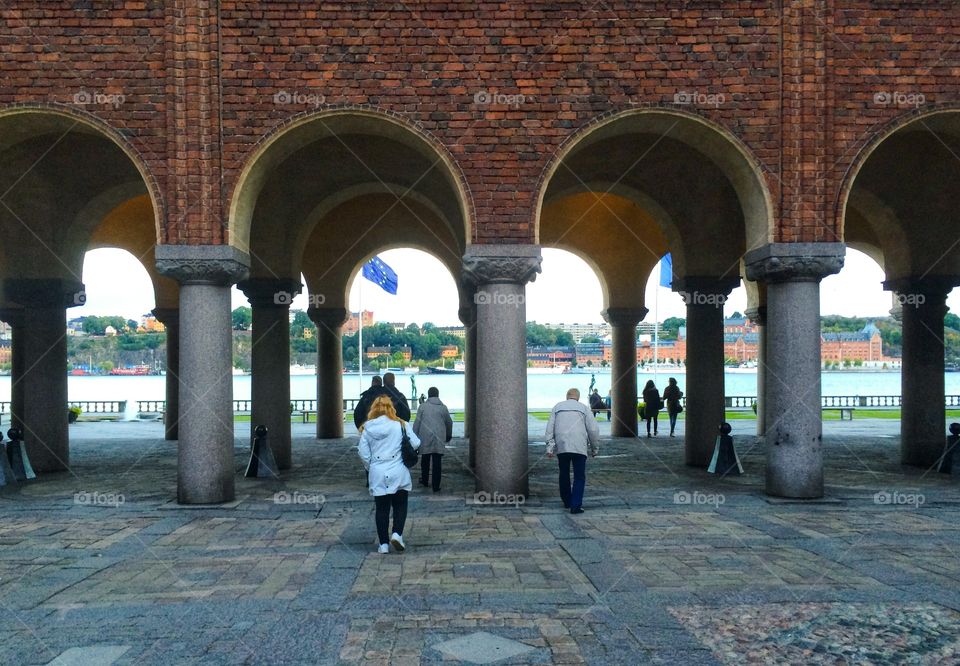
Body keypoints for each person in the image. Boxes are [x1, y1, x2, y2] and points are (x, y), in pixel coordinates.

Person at [357, 395, 421, 553]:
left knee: (381, 508)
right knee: (400, 504)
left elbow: (363, 453)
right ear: (391, 408)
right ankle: (397, 533)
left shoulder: (367, 428)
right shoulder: (401, 425)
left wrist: (371, 467)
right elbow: (416, 442)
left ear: (373, 409)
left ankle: (383, 544)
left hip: (378, 470)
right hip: (398, 468)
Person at [545, 388, 599, 514]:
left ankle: (567, 501)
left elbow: (550, 428)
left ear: (567, 396)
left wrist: (550, 447)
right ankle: (575, 505)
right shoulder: (584, 408)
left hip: (562, 445)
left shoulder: (557, 407)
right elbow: (593, 430)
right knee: (579, 476)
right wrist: (594, 448)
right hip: (579, 446)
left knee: (563, 473)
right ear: (578, 397)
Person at [413, 386, 453, 492]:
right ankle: (436, 485)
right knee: (437, 461)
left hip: (425, 436)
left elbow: (417, 423)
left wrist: (414, 436)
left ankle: (425, 480)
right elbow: (449, 422)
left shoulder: (422, 407)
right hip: (439, 436)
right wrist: (448, 435)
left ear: (429, 395)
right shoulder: (443, 407)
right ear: (438, 395)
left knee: (425, 459)